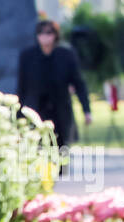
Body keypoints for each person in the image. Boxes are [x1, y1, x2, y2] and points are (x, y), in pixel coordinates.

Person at [18, 18, 92, 152]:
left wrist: (86, 110)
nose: (44, 37)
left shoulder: (66, 55)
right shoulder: (28, 56)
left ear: (55, 35)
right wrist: (20, 115)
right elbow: (22, 87)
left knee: (61, 151)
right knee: (38, 150)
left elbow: (78, 83)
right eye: (41, 33)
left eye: (48, 33)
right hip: (36, 110)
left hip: (60, 111)